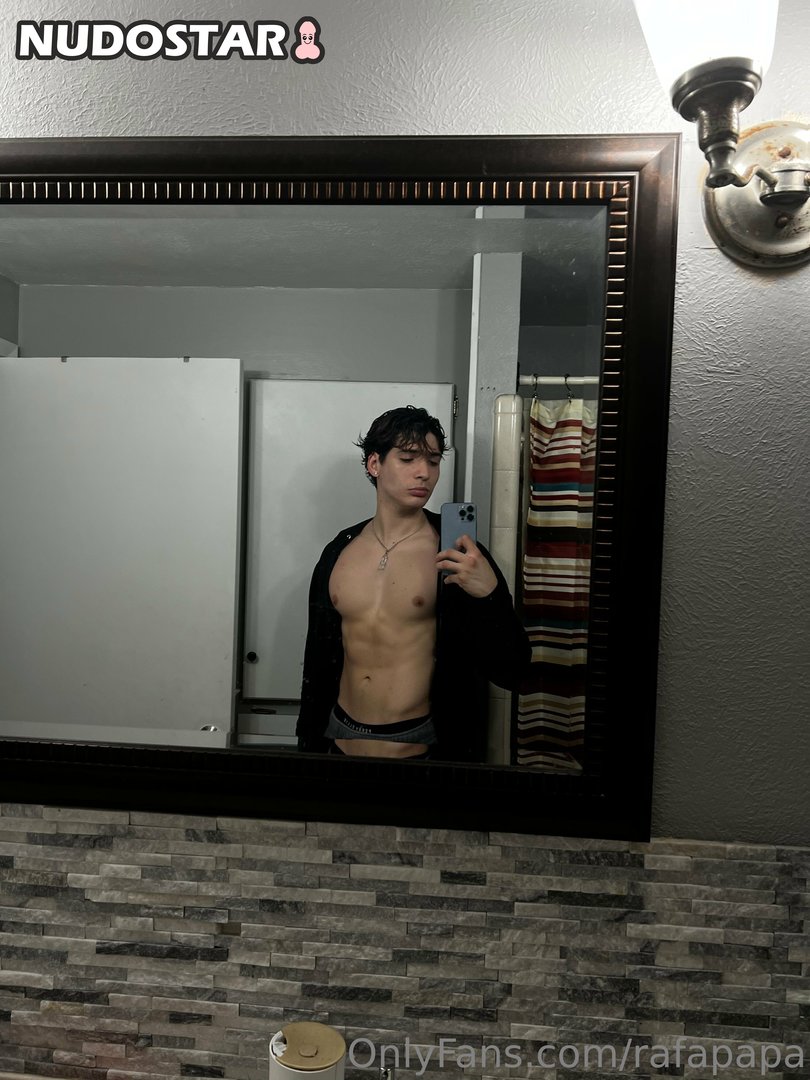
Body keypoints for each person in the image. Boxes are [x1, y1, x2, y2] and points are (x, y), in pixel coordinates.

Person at [296, 405, 531, 761]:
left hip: (418, 746)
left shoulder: (457, 554)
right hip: (338, 738)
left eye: (433, 462)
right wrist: (307, 743)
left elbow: (513, 671)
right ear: (374, 464)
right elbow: (316, 659)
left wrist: (490, 595)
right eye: (408, 459)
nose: (424, 473)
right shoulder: (339, 551)